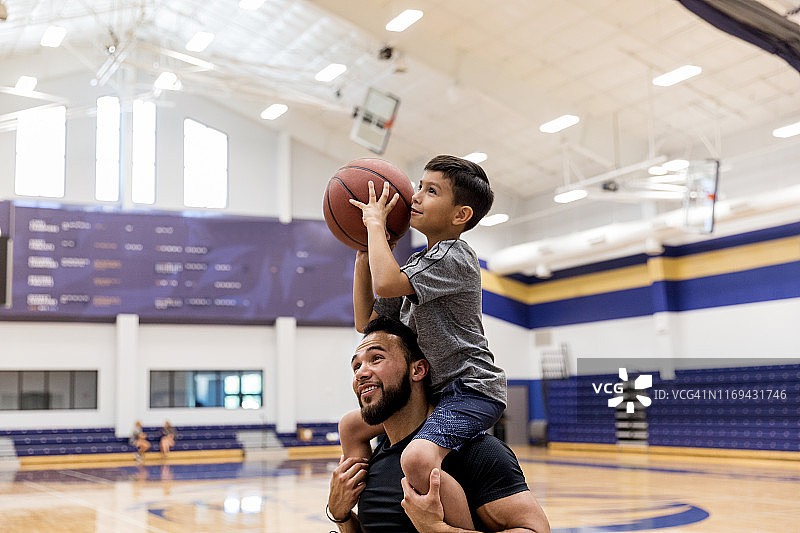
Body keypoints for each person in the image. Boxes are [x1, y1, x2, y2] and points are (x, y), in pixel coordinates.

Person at [341, 155, 507, 528]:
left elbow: (386, 282)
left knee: (417, 458)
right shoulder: (420, 264)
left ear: (461, 215)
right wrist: (363, 256)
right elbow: (366, 323)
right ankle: (359, 500)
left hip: (470, 389)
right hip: (435, 391)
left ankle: (450, 529)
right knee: (352, 426)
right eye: (419, 186)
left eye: (431, 191)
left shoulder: (455, 256)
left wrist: (374, 224)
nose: (415, 196)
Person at [328, 317, 549, 533]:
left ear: (418, 370)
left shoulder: (478, 452)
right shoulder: (374, 458)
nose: (361, 373)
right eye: (356, 366)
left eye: (376, 358)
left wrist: (438, 530)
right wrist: (341, 516)